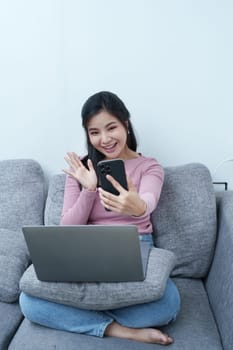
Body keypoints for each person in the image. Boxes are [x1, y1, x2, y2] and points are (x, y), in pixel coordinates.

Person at [20, 91, 180, 345]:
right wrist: (89, 190)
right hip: (85, 250)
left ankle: (82, 313)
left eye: (111, 127)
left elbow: (148, 199)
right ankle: (118, 329)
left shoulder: (149, 166)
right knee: (28, 303)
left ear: (125, 123)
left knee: (169, 305)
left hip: (137, 247)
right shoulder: (81, 170)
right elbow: (67, 227)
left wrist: (137, 206)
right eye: (94, 132)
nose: (104, 139)